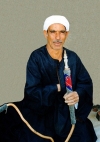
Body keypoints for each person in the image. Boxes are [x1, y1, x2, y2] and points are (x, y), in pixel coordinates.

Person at [0, 15, 97, 142]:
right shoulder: (36, 58)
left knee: (84, 136)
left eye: (62, 32)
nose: (57, 37)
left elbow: (85, 83)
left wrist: (77, 95)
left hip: (67, 113)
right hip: (42, 111)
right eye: (53, 32)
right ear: (45, 33)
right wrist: (57, 87)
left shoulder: (72, 58)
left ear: (66, 34)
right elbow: (32, 91)